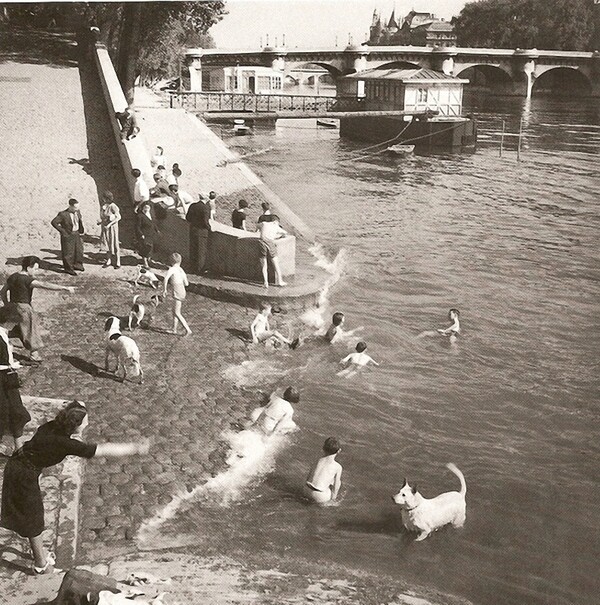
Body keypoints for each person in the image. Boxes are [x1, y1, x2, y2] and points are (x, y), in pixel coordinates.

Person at [0, 401, 149, 574]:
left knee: (32, 513)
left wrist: (78, 407)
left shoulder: (53, 426)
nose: (88, 424)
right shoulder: (65, 443)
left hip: (20, 466)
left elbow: (76, 407)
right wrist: (135, 448)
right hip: (23, 475)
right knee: (33, 518)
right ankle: (41, 565)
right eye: (85, 422)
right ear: (75, 425)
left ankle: (39, 556)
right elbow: (102, 450)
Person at [0, 256, 74, 362]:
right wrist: (64, 288)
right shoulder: (27, 280)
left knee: (16, 330)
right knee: (30, 331)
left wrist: (7, 304)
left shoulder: (13, 277)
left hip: (13, 307)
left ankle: (8, 346)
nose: (36, 271)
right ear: (29, 267)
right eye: (35, 268)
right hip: (25, 309)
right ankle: (34, 356)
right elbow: (44, 285)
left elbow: (3, 292)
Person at [0, 304, 31, 456]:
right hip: (3, 379)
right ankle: (16, 448)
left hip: (7, 376)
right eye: (14, 322)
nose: (15, 326)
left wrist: (15, 364)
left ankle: (18, 447)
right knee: (9, 411)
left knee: (13, 411)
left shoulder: (3, 334)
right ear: (7, 321)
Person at [50, 198, 85, 276]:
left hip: (76, 233)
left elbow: (79, 220)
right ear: (70, 206)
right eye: (75, 208)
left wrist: (81, 229)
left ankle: (77, 264)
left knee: (78, 250)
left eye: (78, 207)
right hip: (68, 234)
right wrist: (63, 231)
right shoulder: (63, 214)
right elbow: (54, 222)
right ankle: (68, 268)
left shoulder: (77, 211)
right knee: (68, 252)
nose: (77, 209)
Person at [304, 437, 343, 505]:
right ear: (339, 451)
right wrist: (333, 500)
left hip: (306, 490)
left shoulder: (317, 460)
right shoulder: (338, 467)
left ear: (323, 448)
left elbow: (308, 477)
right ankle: (329, 503)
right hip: (320, 496)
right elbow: (336, 487)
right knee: (337, 481)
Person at [163, 253, 192, 336]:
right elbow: (186, 284)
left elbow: (165, 279)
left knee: (177, 313)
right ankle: (174, 329)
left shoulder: (172, 269)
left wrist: (164, 290)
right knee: (174, 311)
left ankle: (188, 329)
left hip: (177, 291)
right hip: (182, 290)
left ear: (171, 262)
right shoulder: (181, 270)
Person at [258, 214, 288, 288]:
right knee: (275, 263)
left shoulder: (263, 223)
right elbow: (285, 233)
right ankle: (280, 281)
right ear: (275, 221)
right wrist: (278, 236)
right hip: (270, 243)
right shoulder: (276, 227)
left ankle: (265, 283)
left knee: (264, 265)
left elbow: (257, 226)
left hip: (261, 243)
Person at [185, 194, 212, 273]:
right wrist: (209, 229)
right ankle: (199, 269)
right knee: (201, 251)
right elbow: (205, 221)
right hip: (202, 231)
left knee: (193, 249)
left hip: (193, 230)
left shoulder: (193, 206)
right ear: (206, 198)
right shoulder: (205, 208)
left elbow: (188, 218)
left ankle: (192, 268)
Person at [98, 191, 121, 269]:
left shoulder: (113, 206)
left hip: (112, 228)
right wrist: (101, 222)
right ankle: (109, 260)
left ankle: (118, 261)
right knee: (107, 243)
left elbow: (118, 217)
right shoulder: (103, 206)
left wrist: (109, 225)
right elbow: (104, 217)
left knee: (114, 243)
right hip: (105, 227)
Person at [136, 202, 159, 268]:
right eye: (145, 207)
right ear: (142, 207)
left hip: (151, 234)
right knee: (145, 248)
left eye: (148, 208)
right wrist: (141, 234)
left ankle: (149, 260)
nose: (146, 209)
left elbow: (153, 223)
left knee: (151, 248)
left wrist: (157, 230)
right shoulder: (140, 216)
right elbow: (137, 227)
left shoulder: (150, 214)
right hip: (144, 235)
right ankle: (145, 263)